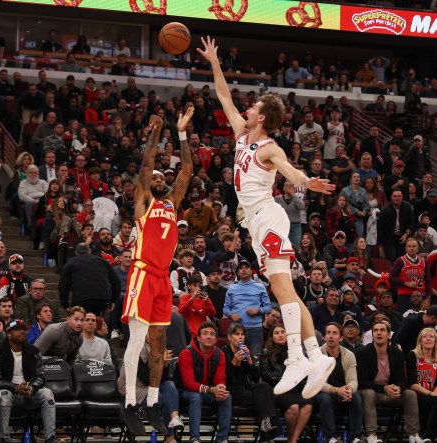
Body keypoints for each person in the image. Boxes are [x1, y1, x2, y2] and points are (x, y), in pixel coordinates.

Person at [199, 35, 335, 399]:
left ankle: (297, 358)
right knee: (284, 290)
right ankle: (314, 356)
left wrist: (308, 181)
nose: (246, 108)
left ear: (261, 116)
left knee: (282, 288)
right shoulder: (243, 135)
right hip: (255, 223)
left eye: (253, 106)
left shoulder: (270, 146)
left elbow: (290, 172)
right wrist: (214, 61)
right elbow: (225, 97)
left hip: (269, 216)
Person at [120, 108, 194, 435]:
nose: (160, 179)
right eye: (156, 178)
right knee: (137, 340)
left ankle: (151, 402)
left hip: (163, 278)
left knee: (158, 341)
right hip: (142, 273)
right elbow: (147, 163)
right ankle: (129, 404)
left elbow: (188, 169)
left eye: (165, 177)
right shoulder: (144, 201)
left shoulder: (172, 204)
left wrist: (180, 133)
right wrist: (156, 132)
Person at [357, 320, 426, 443]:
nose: (378, 333)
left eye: (382, 330)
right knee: (369, 393)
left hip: (390, 393)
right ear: (372, 335)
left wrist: (398, 388)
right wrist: (384, 388)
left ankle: (413, 435)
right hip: (373, 393)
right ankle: (371, 435)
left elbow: (402, 380)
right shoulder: (363, 353)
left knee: (410, 394)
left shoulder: (397, 354)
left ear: (389, 335)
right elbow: (361, 382)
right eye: (375, 331)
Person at [0, 319, 58, 443]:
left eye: (24, 329)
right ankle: (3, 437)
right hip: (10, 392)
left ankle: (50, 437)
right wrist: (15, 387)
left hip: (29, 393)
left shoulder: (33, 351)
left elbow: (40, 377)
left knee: (48, 394)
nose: (23, 332)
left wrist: (33, 387)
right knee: (3, 395)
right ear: (8, 333)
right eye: (18, 329)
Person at [222, 323, 281, 441]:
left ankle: (266, 422)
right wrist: (233, 363)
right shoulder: (223, 353)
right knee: (266, 398)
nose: (240, 337)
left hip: (247, 388)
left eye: (242, 334)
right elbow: (224, 379)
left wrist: (250, 361)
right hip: (231, 390)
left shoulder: (246, 351)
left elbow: (256, 377)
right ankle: (269, 427)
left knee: (264, 387)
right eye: (236, 334)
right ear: (229, 337)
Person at [178, 321, 232, 443]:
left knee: (226, 397)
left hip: (207, 391)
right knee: (196, 397)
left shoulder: (220, 354)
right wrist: (212, 389)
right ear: (199, 338)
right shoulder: (186, 353)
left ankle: (222, 439)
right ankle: (195, 438)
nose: (209, 336)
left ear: (215, 339)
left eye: (212, 334)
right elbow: (189, 383)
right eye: (205, 333)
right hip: (185, 391)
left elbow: (220, 378)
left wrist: (220, 389)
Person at [260, 325, 313, 443]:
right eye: (276, 333)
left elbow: (305, 371)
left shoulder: (296, 350)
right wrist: (287, 372)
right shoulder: (266, 352)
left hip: (296, 388)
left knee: (308, 406)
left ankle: (293, 439)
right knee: (293, 408)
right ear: (272, 337)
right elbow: (266, 375)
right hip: (278, 389)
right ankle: (291, 436)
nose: (280, 335)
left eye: (282, 332)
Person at [313, 322, 364, 443]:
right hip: (321, 394)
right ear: (324, 337)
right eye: (328, 333)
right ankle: (330, 437)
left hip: (342, 394)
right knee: (325, 398)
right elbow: (318, 383)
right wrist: (337, 390)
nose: (331, 336)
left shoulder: (349, 355)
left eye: (335, 333)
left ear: (341, 338)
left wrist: (349, 390)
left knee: (356, 397)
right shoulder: (316, 355)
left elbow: (352, 380)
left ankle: (355, 437)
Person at [223, 259, 271, 355]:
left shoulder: (260, 286)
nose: (243, 270)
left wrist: (258, 310)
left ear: (251, 271)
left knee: (255, 358)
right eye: (241, 268)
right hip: (237, 329)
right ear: (237, 272)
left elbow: (268, 307)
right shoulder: (232, 288)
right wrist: (231, 314)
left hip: (255, 329)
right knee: (236, 357)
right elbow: (225, 308)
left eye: (246, 268)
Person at [59, 243, 121, 315]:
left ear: (76, 252)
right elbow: (116, 282)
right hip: (102, 299)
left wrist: (65, 305)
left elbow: (63, 285)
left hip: (81, 299)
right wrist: (113, 300)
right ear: (90, 251)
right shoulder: (103, 261)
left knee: (82, 322)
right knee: (98, 323)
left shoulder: (70, 263)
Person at [406, 327, 437, 443]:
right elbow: (412, 383)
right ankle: (429, 436)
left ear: (435, 341)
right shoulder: (413, 356)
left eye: (431, 337)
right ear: (420, 341)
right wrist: (431, 394)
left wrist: (434, 394)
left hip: (432, 395)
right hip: (415, 396)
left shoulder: (436, 358)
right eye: (425, 337)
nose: (428, 339)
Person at [388, 238, 432, 314]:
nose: (411, 248)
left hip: (421, 296)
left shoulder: (424, 261)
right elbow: (391, 277)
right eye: (409, 246)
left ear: (418, 248)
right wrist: (406, 283)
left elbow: (428, 280)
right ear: (406, 248)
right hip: (405, 295)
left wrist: (428, 298)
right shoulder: (400, 261)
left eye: (414, 246)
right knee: (405, 318)